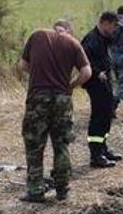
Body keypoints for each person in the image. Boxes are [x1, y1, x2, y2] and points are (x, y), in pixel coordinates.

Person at [18, 19, 92, 202]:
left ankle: (35, 190)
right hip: (62, 100)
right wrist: (71, 85)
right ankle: (62, 189)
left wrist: (39, 73)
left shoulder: (37, 36)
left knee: (34, 145)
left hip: (38, 98)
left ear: (55, 28)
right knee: (61, 145)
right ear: (68, 30)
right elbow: (87, 72)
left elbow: (23, 65)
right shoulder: (73, 43)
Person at [79, 11, 121, 168]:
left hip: (105, 82)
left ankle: (103, 149)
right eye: (113, 25)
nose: (115, 29)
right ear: (105, 23)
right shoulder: (92, 39)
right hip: (95, 83)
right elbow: (82, 60)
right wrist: (97, 72)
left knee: (107, 114)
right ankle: (95, 155)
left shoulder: (104, 38)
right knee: (98, 117)